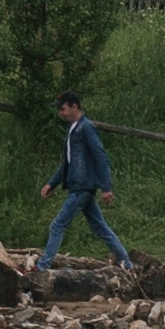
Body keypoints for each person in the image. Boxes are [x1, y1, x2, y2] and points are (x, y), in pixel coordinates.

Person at [42, 90, 133, 266]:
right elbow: (68, 163)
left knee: (57, 226)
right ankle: (128, 266)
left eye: (63, 109)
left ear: (74, 107)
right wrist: (52, 183)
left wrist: (106, 187)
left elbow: (100, 156)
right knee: (101, 228)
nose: (60, 113)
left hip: (82, 188)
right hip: (80, 187)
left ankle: (42, 267)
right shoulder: (73, 129)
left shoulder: (86, 127)